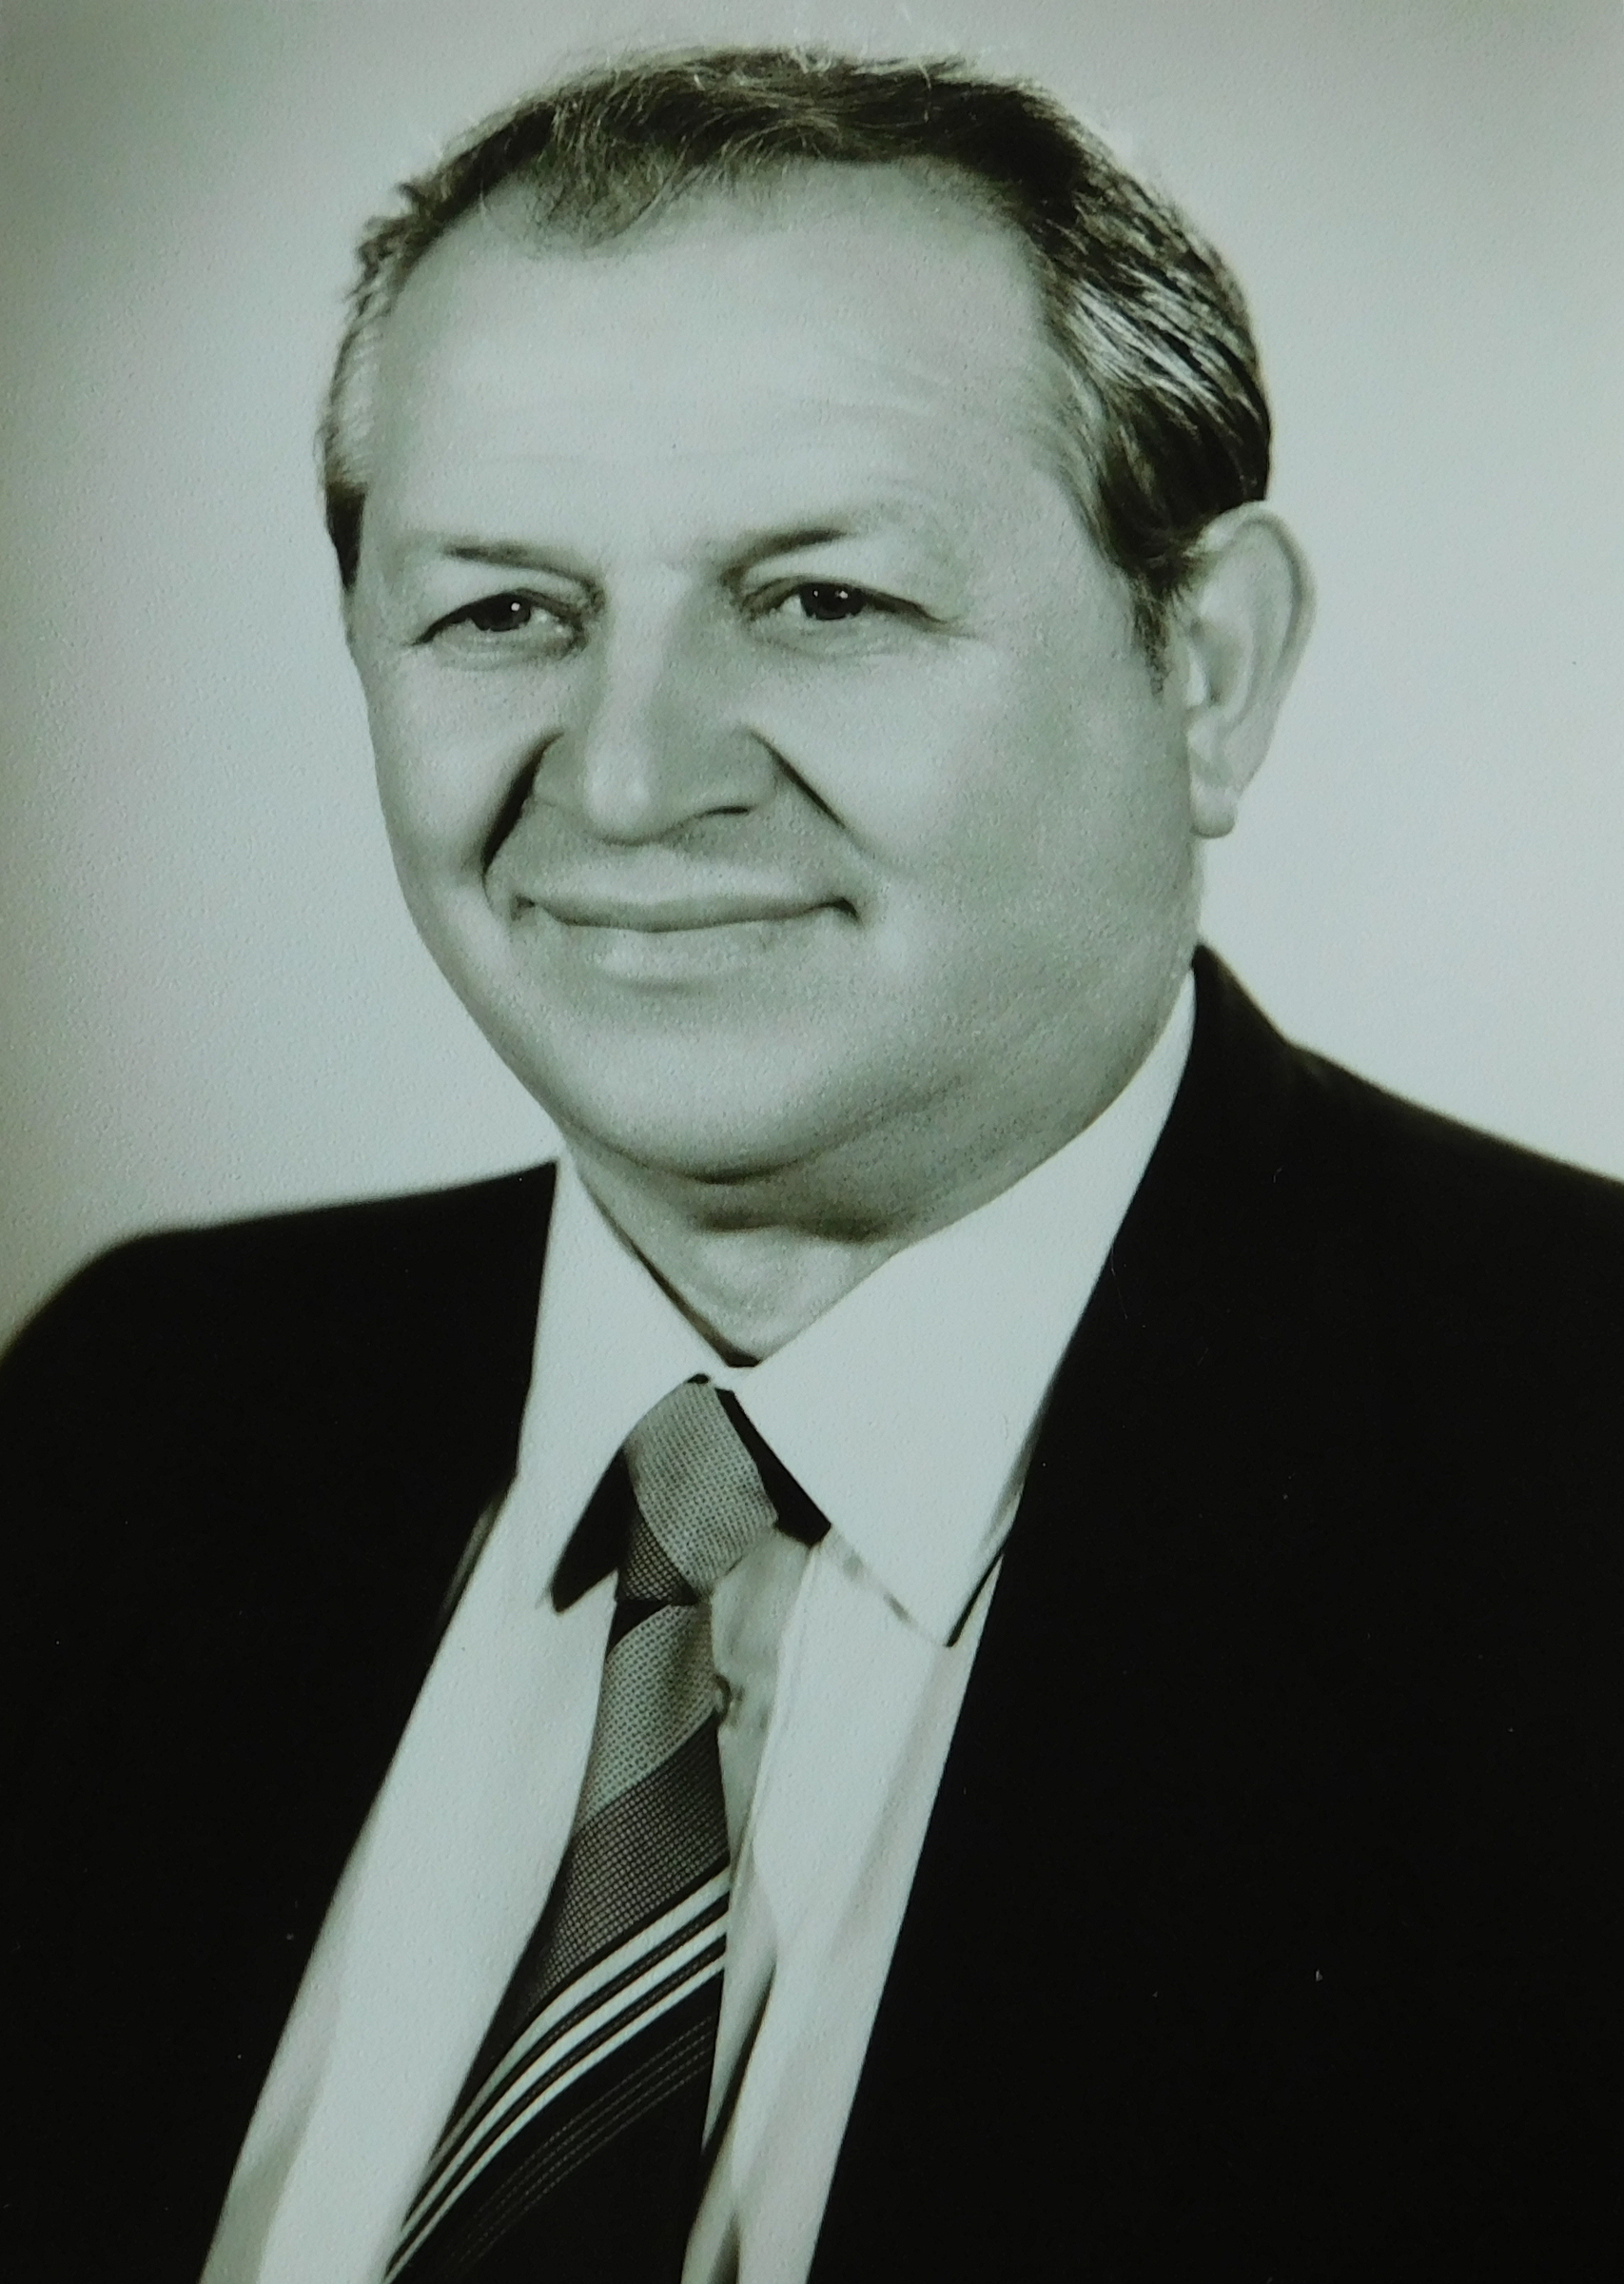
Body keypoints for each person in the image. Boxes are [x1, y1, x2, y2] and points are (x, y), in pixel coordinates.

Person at [3, 45, 1619, 2284]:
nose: (627, 779)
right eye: (503, 610)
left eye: (819, 601)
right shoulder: (127, 1415)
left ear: (1208, 672)